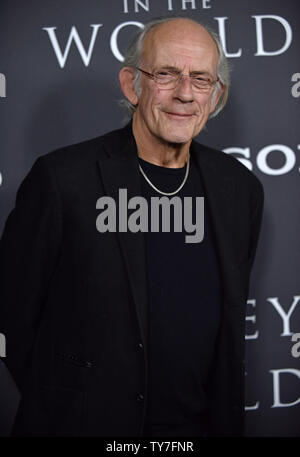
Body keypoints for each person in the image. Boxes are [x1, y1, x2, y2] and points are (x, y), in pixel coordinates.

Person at [0, 16, 264, 437]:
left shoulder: (239, 188)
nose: (184, 93)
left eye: (200, 80)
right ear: (131, 84)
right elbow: (13, 315)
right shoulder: (63, 179)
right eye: (166, 74)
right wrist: (71, 402)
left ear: (216, 96)